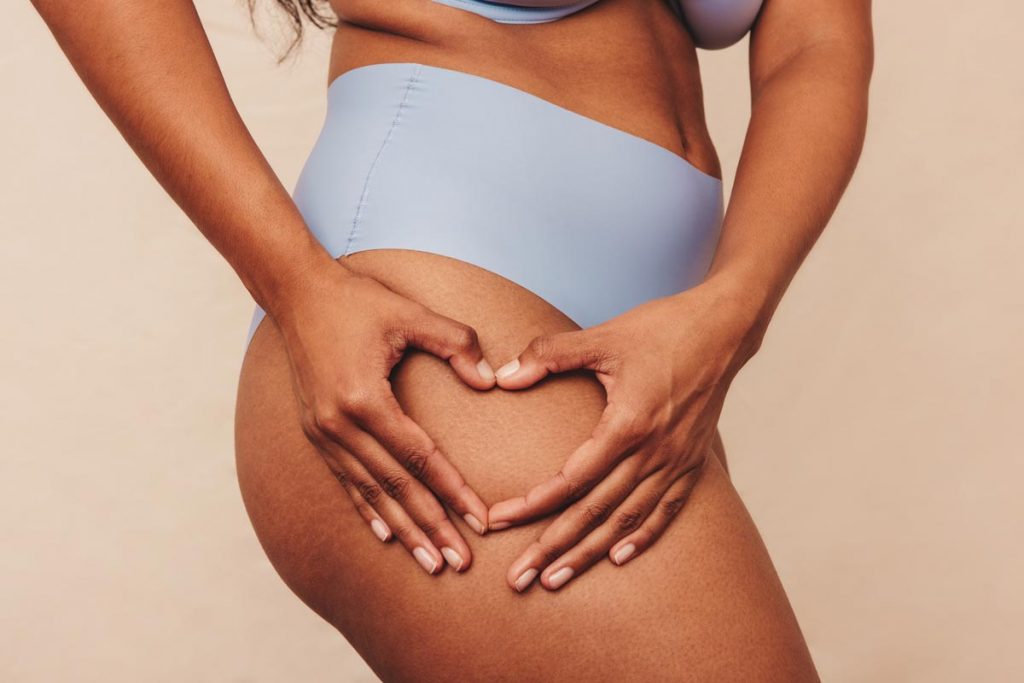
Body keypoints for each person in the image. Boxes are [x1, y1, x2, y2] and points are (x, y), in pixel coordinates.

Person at [32, 0, 872, 679]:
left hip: (663, 332)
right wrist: (296, 282)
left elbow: (818, 39)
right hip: (441, 305)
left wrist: (732, 309)